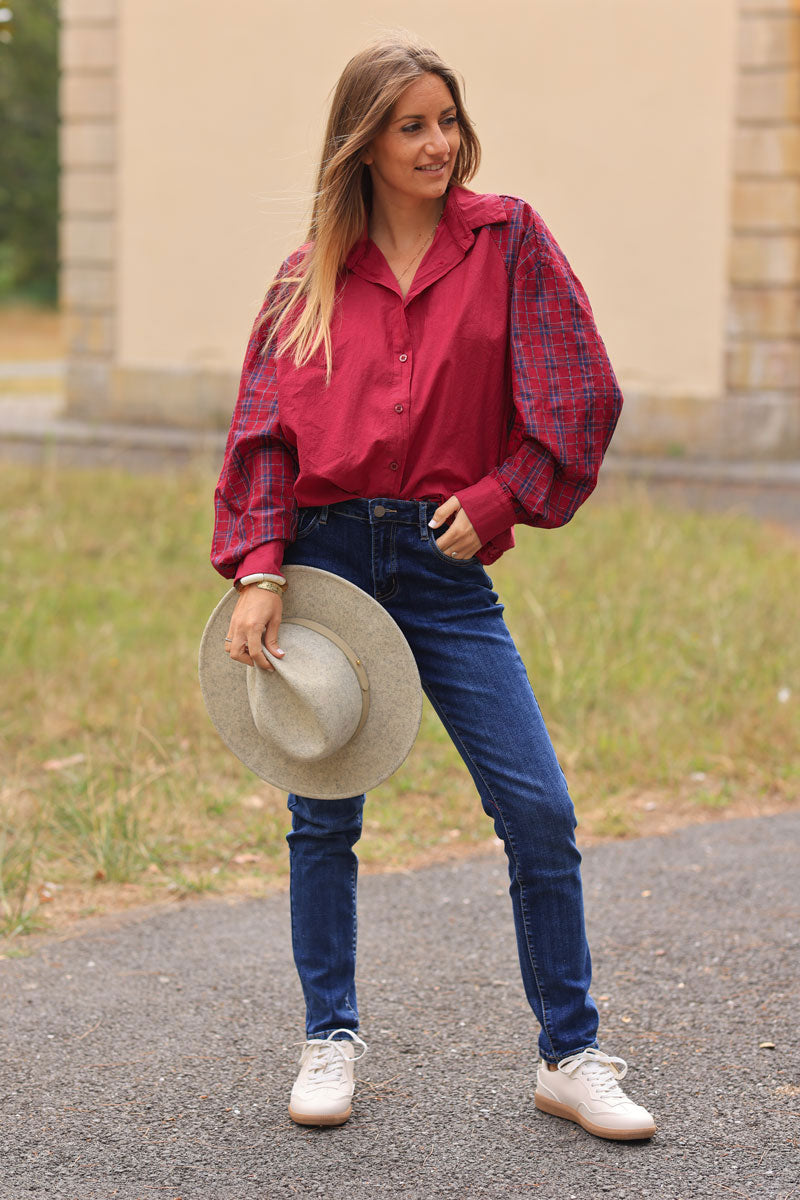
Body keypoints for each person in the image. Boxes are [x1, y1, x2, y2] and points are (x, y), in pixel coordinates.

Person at [211, 33, 656, 1141]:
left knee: (538, 810)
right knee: (322, 817)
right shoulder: (305, 273)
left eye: (445, 121)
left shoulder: (508, 241)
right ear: (363, 141)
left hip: (440, 564)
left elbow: (577, 394)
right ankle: (329, 1037)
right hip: (324, 568)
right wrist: (260, 571)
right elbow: (262, 440)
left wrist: (503, 499)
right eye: (410, 125)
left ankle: (569, 1054)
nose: (436, 144)